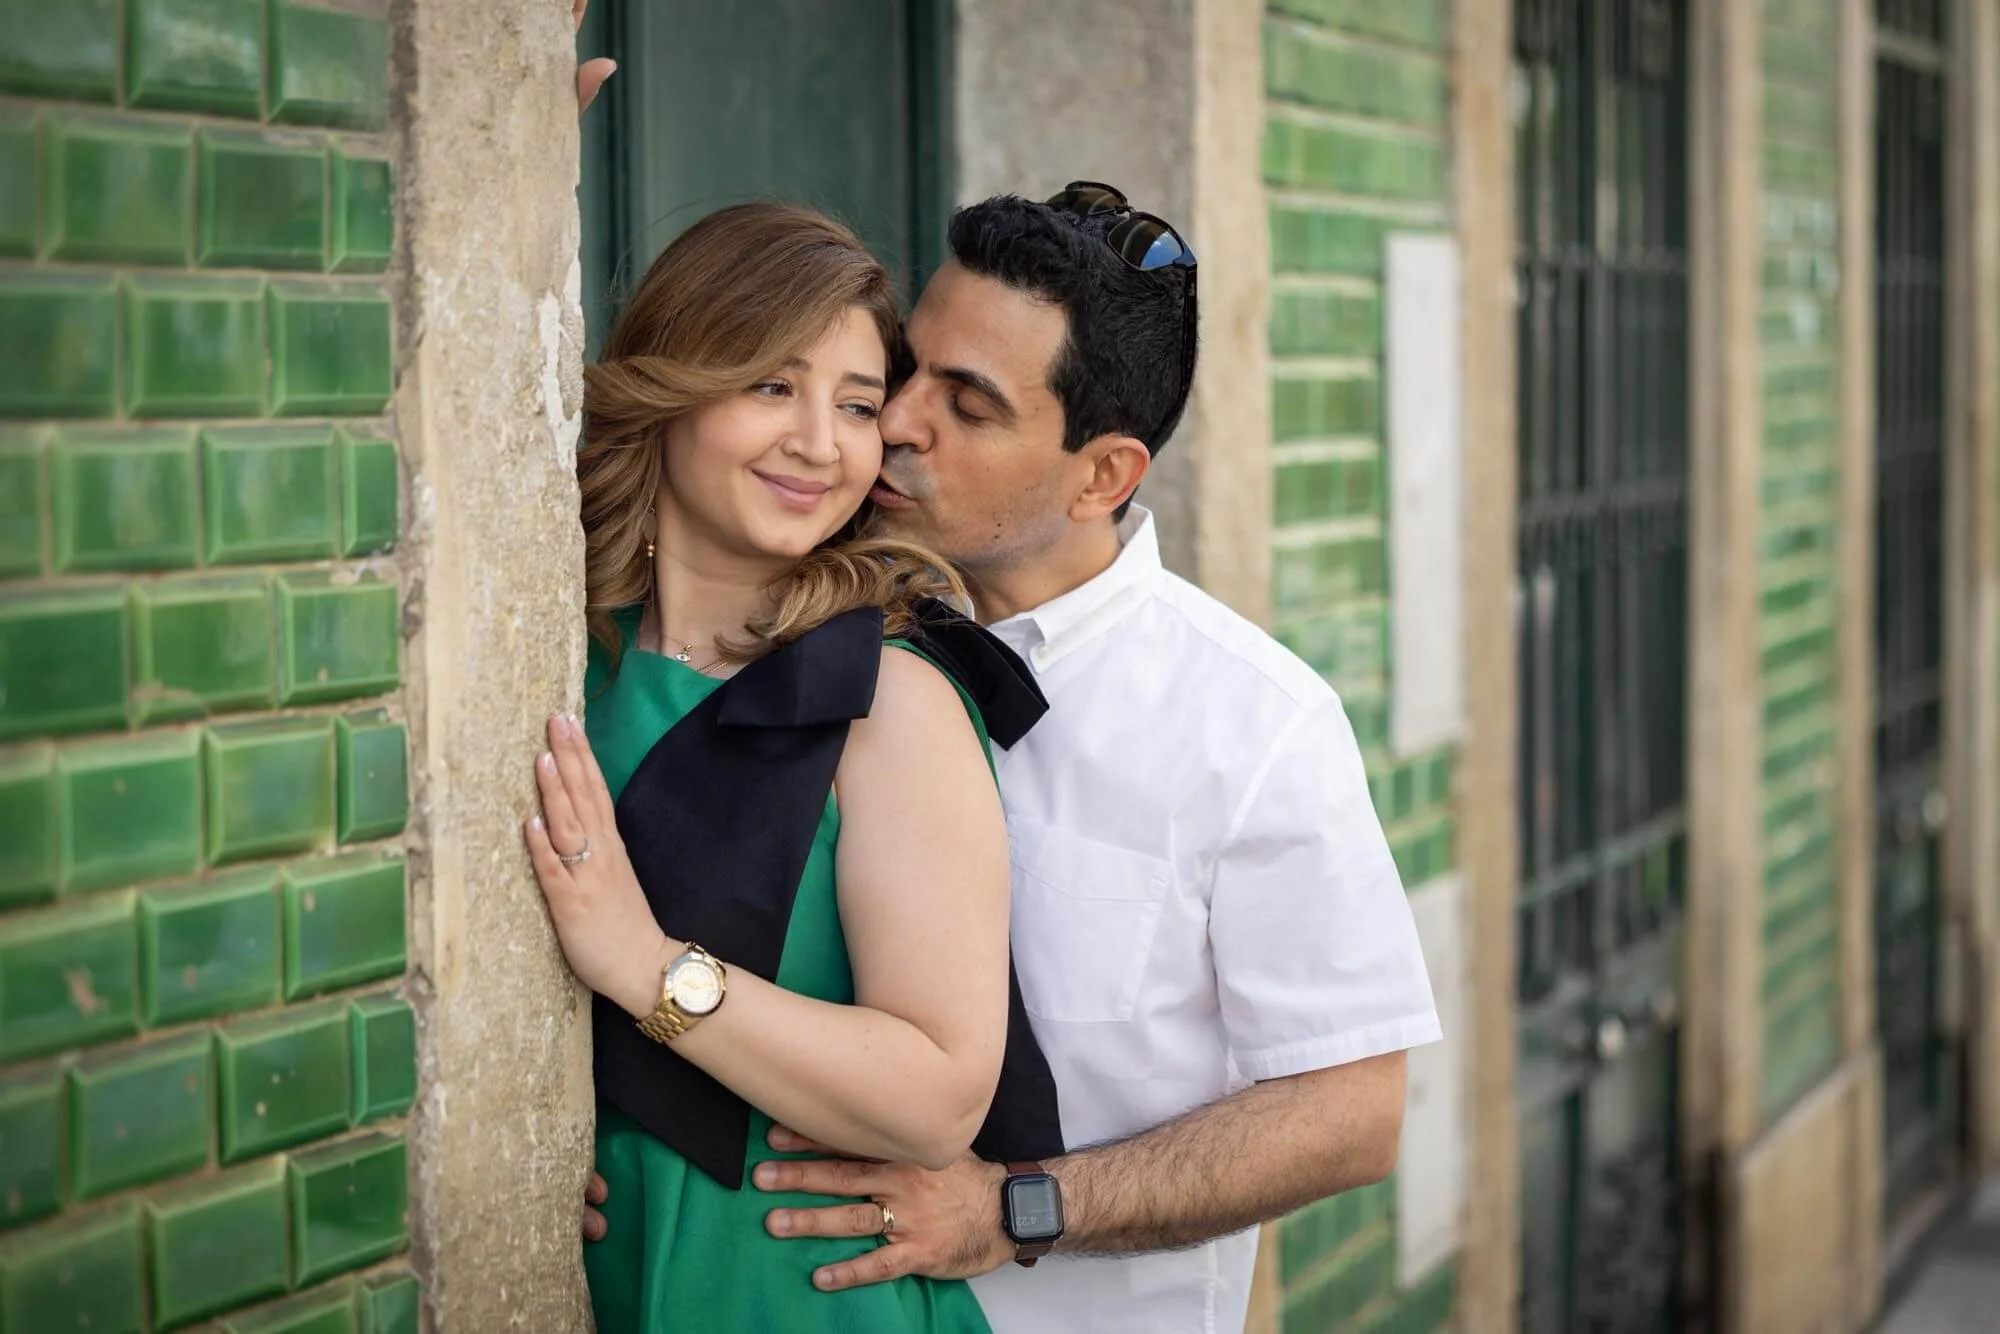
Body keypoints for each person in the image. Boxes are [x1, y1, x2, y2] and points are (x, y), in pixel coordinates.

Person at [581, 183, 1443, 1334]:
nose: (893, 424)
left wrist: (1024, 1206)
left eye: (967, 405)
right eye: (906, 371)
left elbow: (1353, 1110)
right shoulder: (775, 642)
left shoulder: (1249, 721)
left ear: (1101, 476)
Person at [525, 201, 1064, 1334]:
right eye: (772, 384)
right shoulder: (557, 656)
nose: (821, 442)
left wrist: (648, 965)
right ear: (674, 384)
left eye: (858, 405)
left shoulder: (885, 697)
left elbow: (937, 1097)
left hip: (796, 1291)